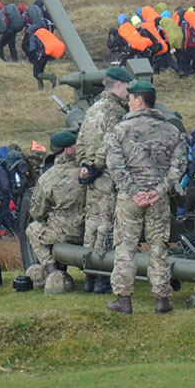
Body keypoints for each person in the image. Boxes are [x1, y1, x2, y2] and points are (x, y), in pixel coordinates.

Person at [104, 80, 185, 314]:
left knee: (125, 246)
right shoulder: (172, 131)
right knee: (158, 247)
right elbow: (178, 165)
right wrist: (158, 191)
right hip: (159, 200)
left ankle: (123, 298)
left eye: (130, 99)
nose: (128, 103)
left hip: (130, 200)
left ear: (139, 100)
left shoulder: (120, 130)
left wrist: (134, 192)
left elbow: (115, 165)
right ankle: (162, 299)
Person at [75, 66, 130, 291]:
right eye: (127, 87)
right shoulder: (115, 112)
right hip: (107, 176)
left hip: (92, 178)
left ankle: (89, 276)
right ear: (118, 84)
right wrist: (96, 166)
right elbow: (111, 143)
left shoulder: (92, 110)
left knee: (92, 224)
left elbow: (80, 141)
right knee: (107, 227)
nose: (129, 92)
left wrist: (84, 166)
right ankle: (103, 278)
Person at [24, 131, 87, 288]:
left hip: (63, 232)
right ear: (67, 150)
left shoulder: (47, 178)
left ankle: (52, 270)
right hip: (89, 230)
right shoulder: (87, 173)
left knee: (32, 230)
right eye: (74, 146)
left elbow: (37, 213)